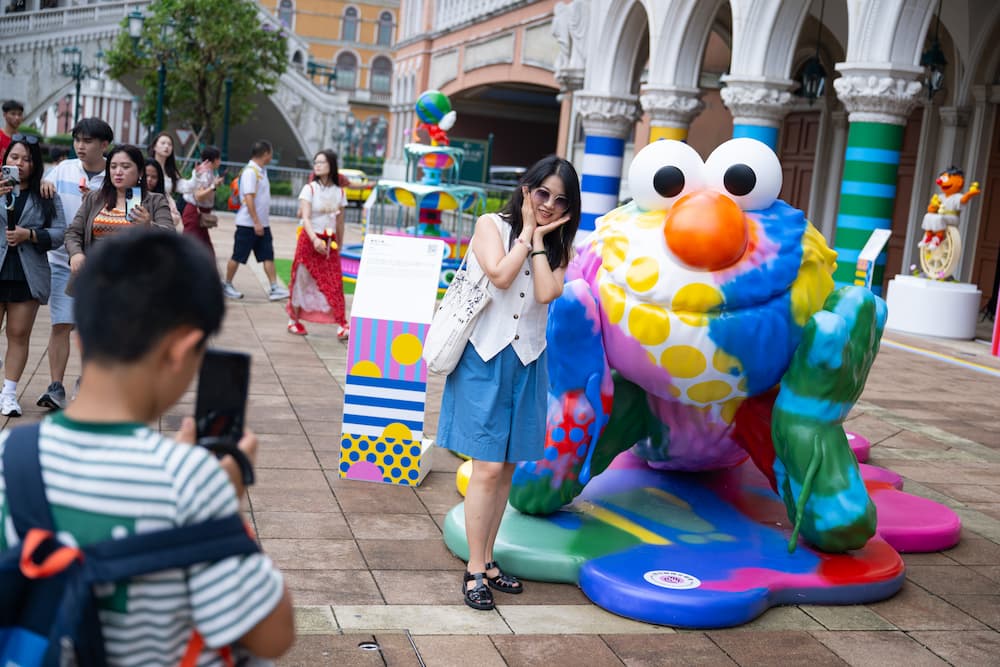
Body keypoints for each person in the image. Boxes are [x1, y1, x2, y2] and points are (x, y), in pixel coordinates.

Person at [0, 229, 295, 664]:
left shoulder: (8, 456)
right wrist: (224, 504)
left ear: (81, 338)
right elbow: (273, 636)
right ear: (183, 350)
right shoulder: (191, 482)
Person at [437, 155, 581, 610]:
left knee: (507, 470)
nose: (549, 204)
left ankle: (488, 559)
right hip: (483, 358)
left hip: (528, 362)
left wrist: (539, 240)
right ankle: (474, 570)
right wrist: (525, 233)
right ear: (526, 189)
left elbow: (546, 292)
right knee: (486, 468)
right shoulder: (490, 226)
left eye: (560, 200)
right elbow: (500, 276)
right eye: (542, 193)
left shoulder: (559, 246)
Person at [37, 117, 113, 411]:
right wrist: (43, 183)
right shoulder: (63, 170)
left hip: (101, 266)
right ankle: (55, 387)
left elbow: (130, 213)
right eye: (77, 140)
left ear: (104, 145)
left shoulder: (115, 174)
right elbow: (42, 190)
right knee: (61, 323)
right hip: (61, 261)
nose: (80, 146)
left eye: (87, 141)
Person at [0, 134, 66, 417]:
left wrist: (30, 234)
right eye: (14, 157)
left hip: (27, 273)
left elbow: (60, 233)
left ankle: (8, 394)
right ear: (5, 160)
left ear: (35, 164)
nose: (20, 163)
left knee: (18, 334)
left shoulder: (46, 193)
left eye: (27, 159)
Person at [65, 144, 175, 273]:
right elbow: (73, 232)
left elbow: (171, 238)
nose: (118, 172)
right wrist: (76, 253)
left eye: (125, 167)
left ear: (140, 172)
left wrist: (148, 226)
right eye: (113, 167)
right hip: (96, 276)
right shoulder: (94, 198)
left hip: (138, 278)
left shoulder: (155, 201)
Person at [286, 149, 349, 338]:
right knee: (301, 279)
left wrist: (340, 244)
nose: (317, 165)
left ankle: (342, 324)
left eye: (322, 162)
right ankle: (293, 320)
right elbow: (305, 218)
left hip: (329, 243)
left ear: (331, 165)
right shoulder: (310, 189)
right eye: (316, 162)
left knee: (334, 281)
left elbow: (340, 222)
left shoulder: (339, 192)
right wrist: (314, 239)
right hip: (309, 240)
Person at [222, 140, 289, 301]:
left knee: (267, 255)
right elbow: (248, 198)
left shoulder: (261, 171)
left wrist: (260, 223)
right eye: (271, 153)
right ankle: (227, 285)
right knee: (238, 256)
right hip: (248, 224)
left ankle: (274, 288)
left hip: (262, 224)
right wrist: (256, 222)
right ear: (265, 153)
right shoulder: (250, 172)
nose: (271, 157)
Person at [180, 145, 223, 252]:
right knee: (190, 247)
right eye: (219, 158)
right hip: (195, 213)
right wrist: (213, 186)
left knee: (205, 249)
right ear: (213, 160)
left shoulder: (210, 172)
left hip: (199, 214)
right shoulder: (204, 174)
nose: (220, 161)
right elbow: (199, 196)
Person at [144, 157, 183, 227]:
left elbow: (173, 222)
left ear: (159, 180)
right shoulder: (132, 194)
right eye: (146, 176)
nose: (149, 179)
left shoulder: (164, 199)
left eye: (154, 177)